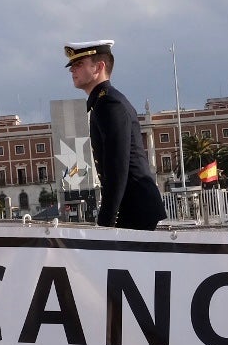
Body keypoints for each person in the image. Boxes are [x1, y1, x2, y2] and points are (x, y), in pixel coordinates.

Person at [65, 40, 164, 230]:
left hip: (133, 211)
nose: (72, 70)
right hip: (133, 210)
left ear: (99, 67)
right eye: (72, 66)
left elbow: (117, 169)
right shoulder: (103, 102)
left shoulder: (109, 104)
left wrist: (106, 223)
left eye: (78, 64)